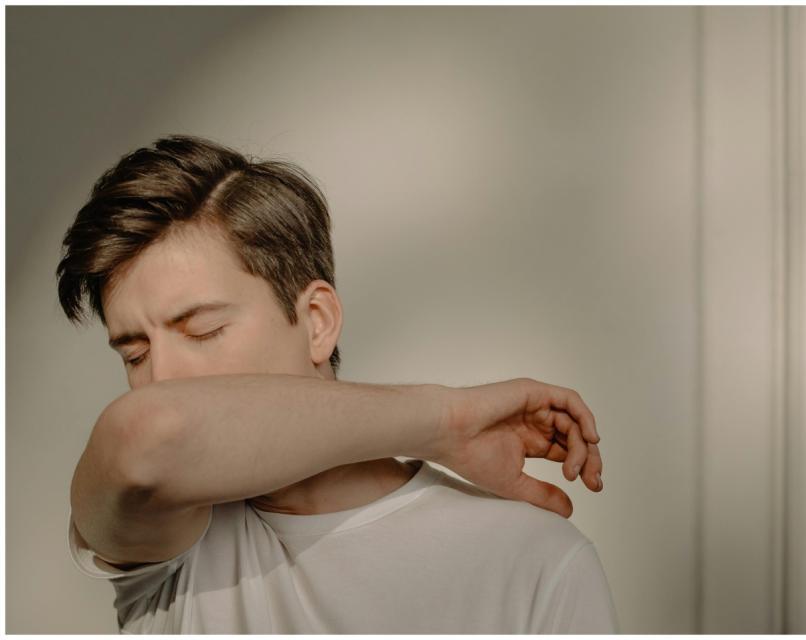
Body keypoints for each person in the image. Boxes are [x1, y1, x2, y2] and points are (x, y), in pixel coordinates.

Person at [57, 134, 618, 633]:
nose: (161, 379)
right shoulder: (170, 547)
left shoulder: (532, 562)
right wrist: (442, 422)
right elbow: (148, 435)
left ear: (318, 322)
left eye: (203, 331)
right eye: (135, 353)